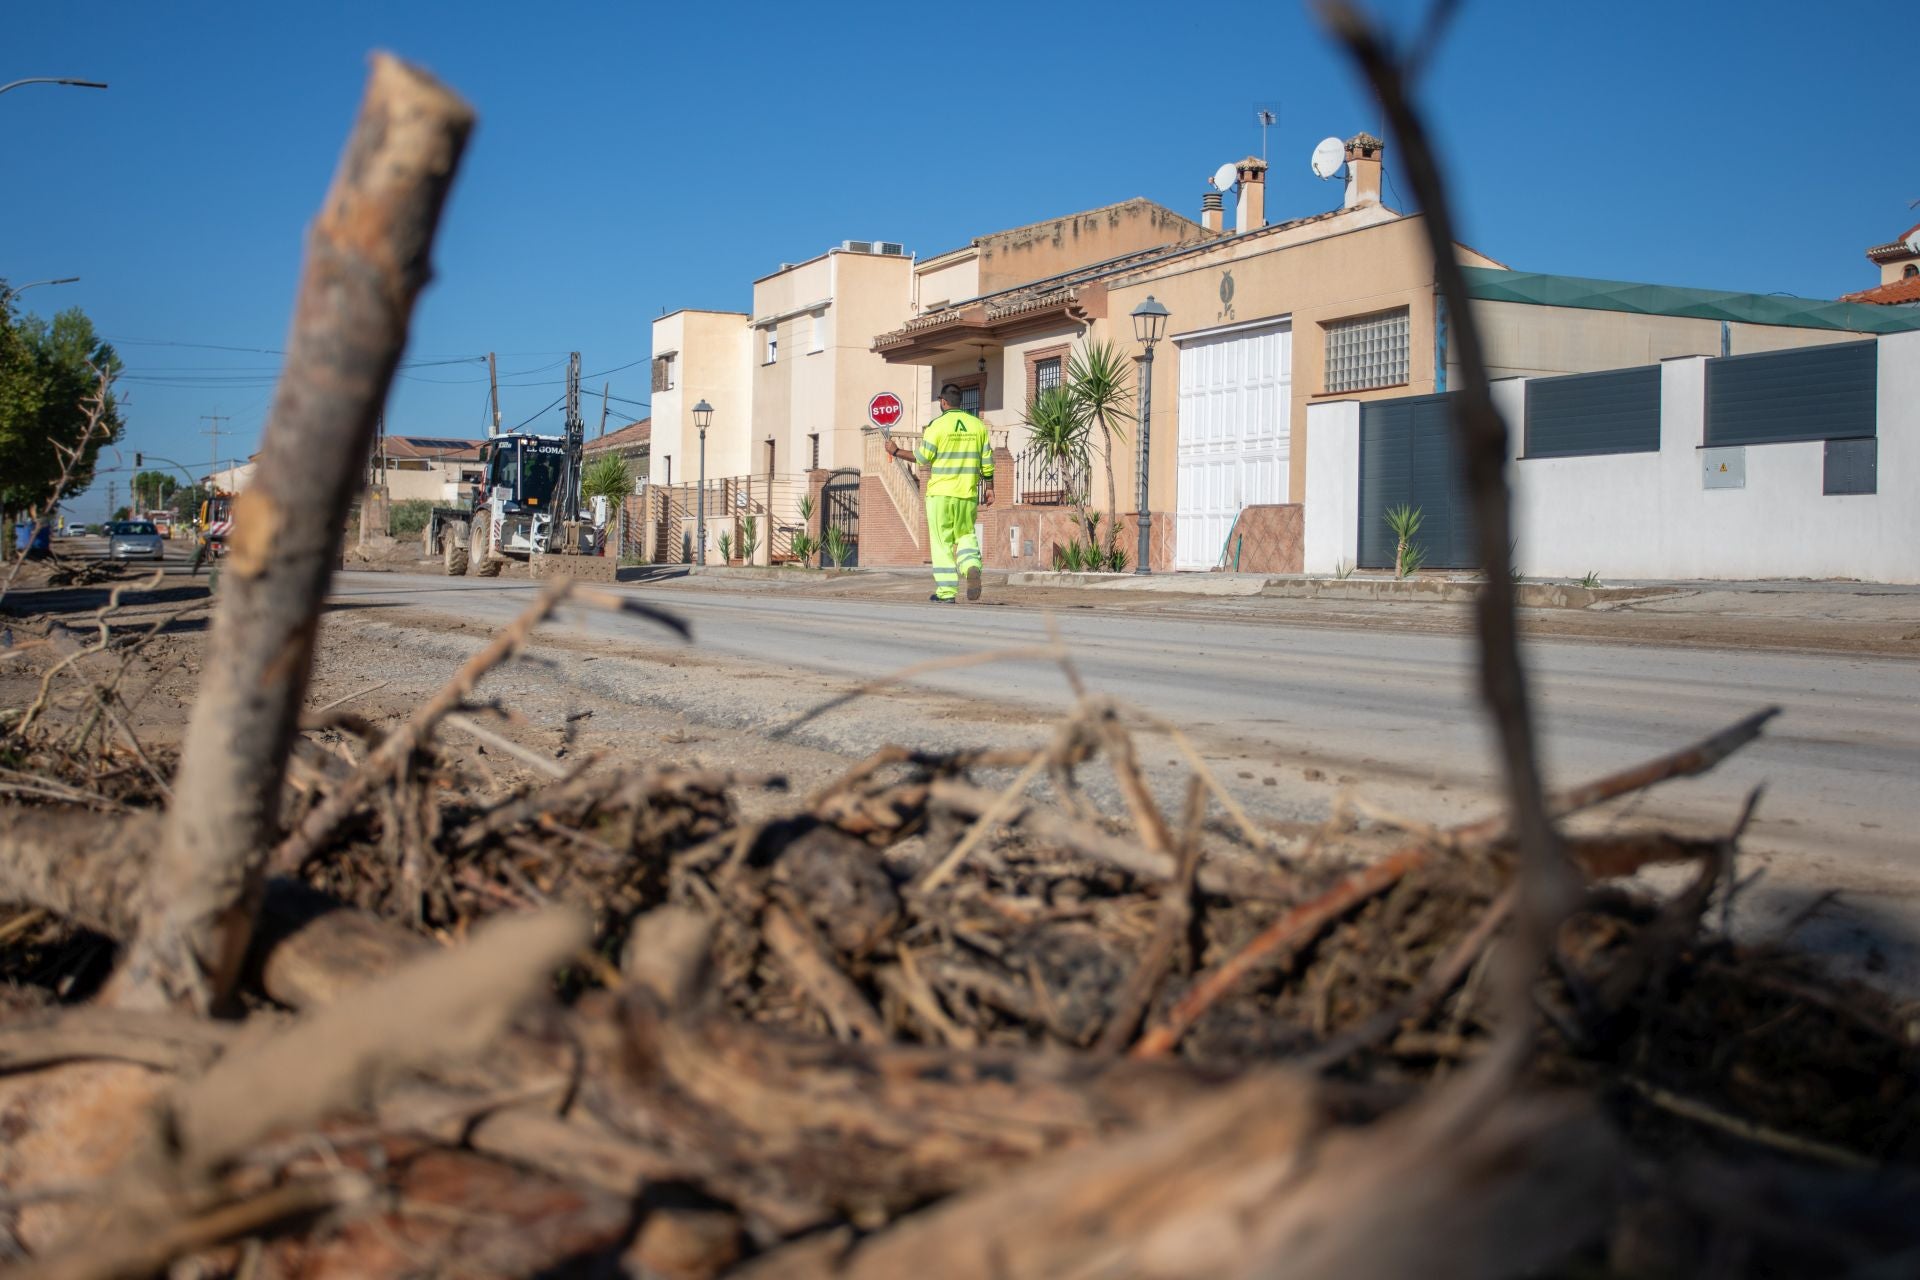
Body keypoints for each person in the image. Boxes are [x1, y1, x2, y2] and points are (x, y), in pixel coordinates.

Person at [887, 383, 994, 603]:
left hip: (940, 496)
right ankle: (971, 566)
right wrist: (990, 488)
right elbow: (987, 462)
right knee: (965, 535)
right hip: (967, 494)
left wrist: (896, 451)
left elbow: (922, 457)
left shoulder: (936, 426)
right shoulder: (977, 426)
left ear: (943, 402)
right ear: (960, 401)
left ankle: (947, 593)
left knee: (942, 542)